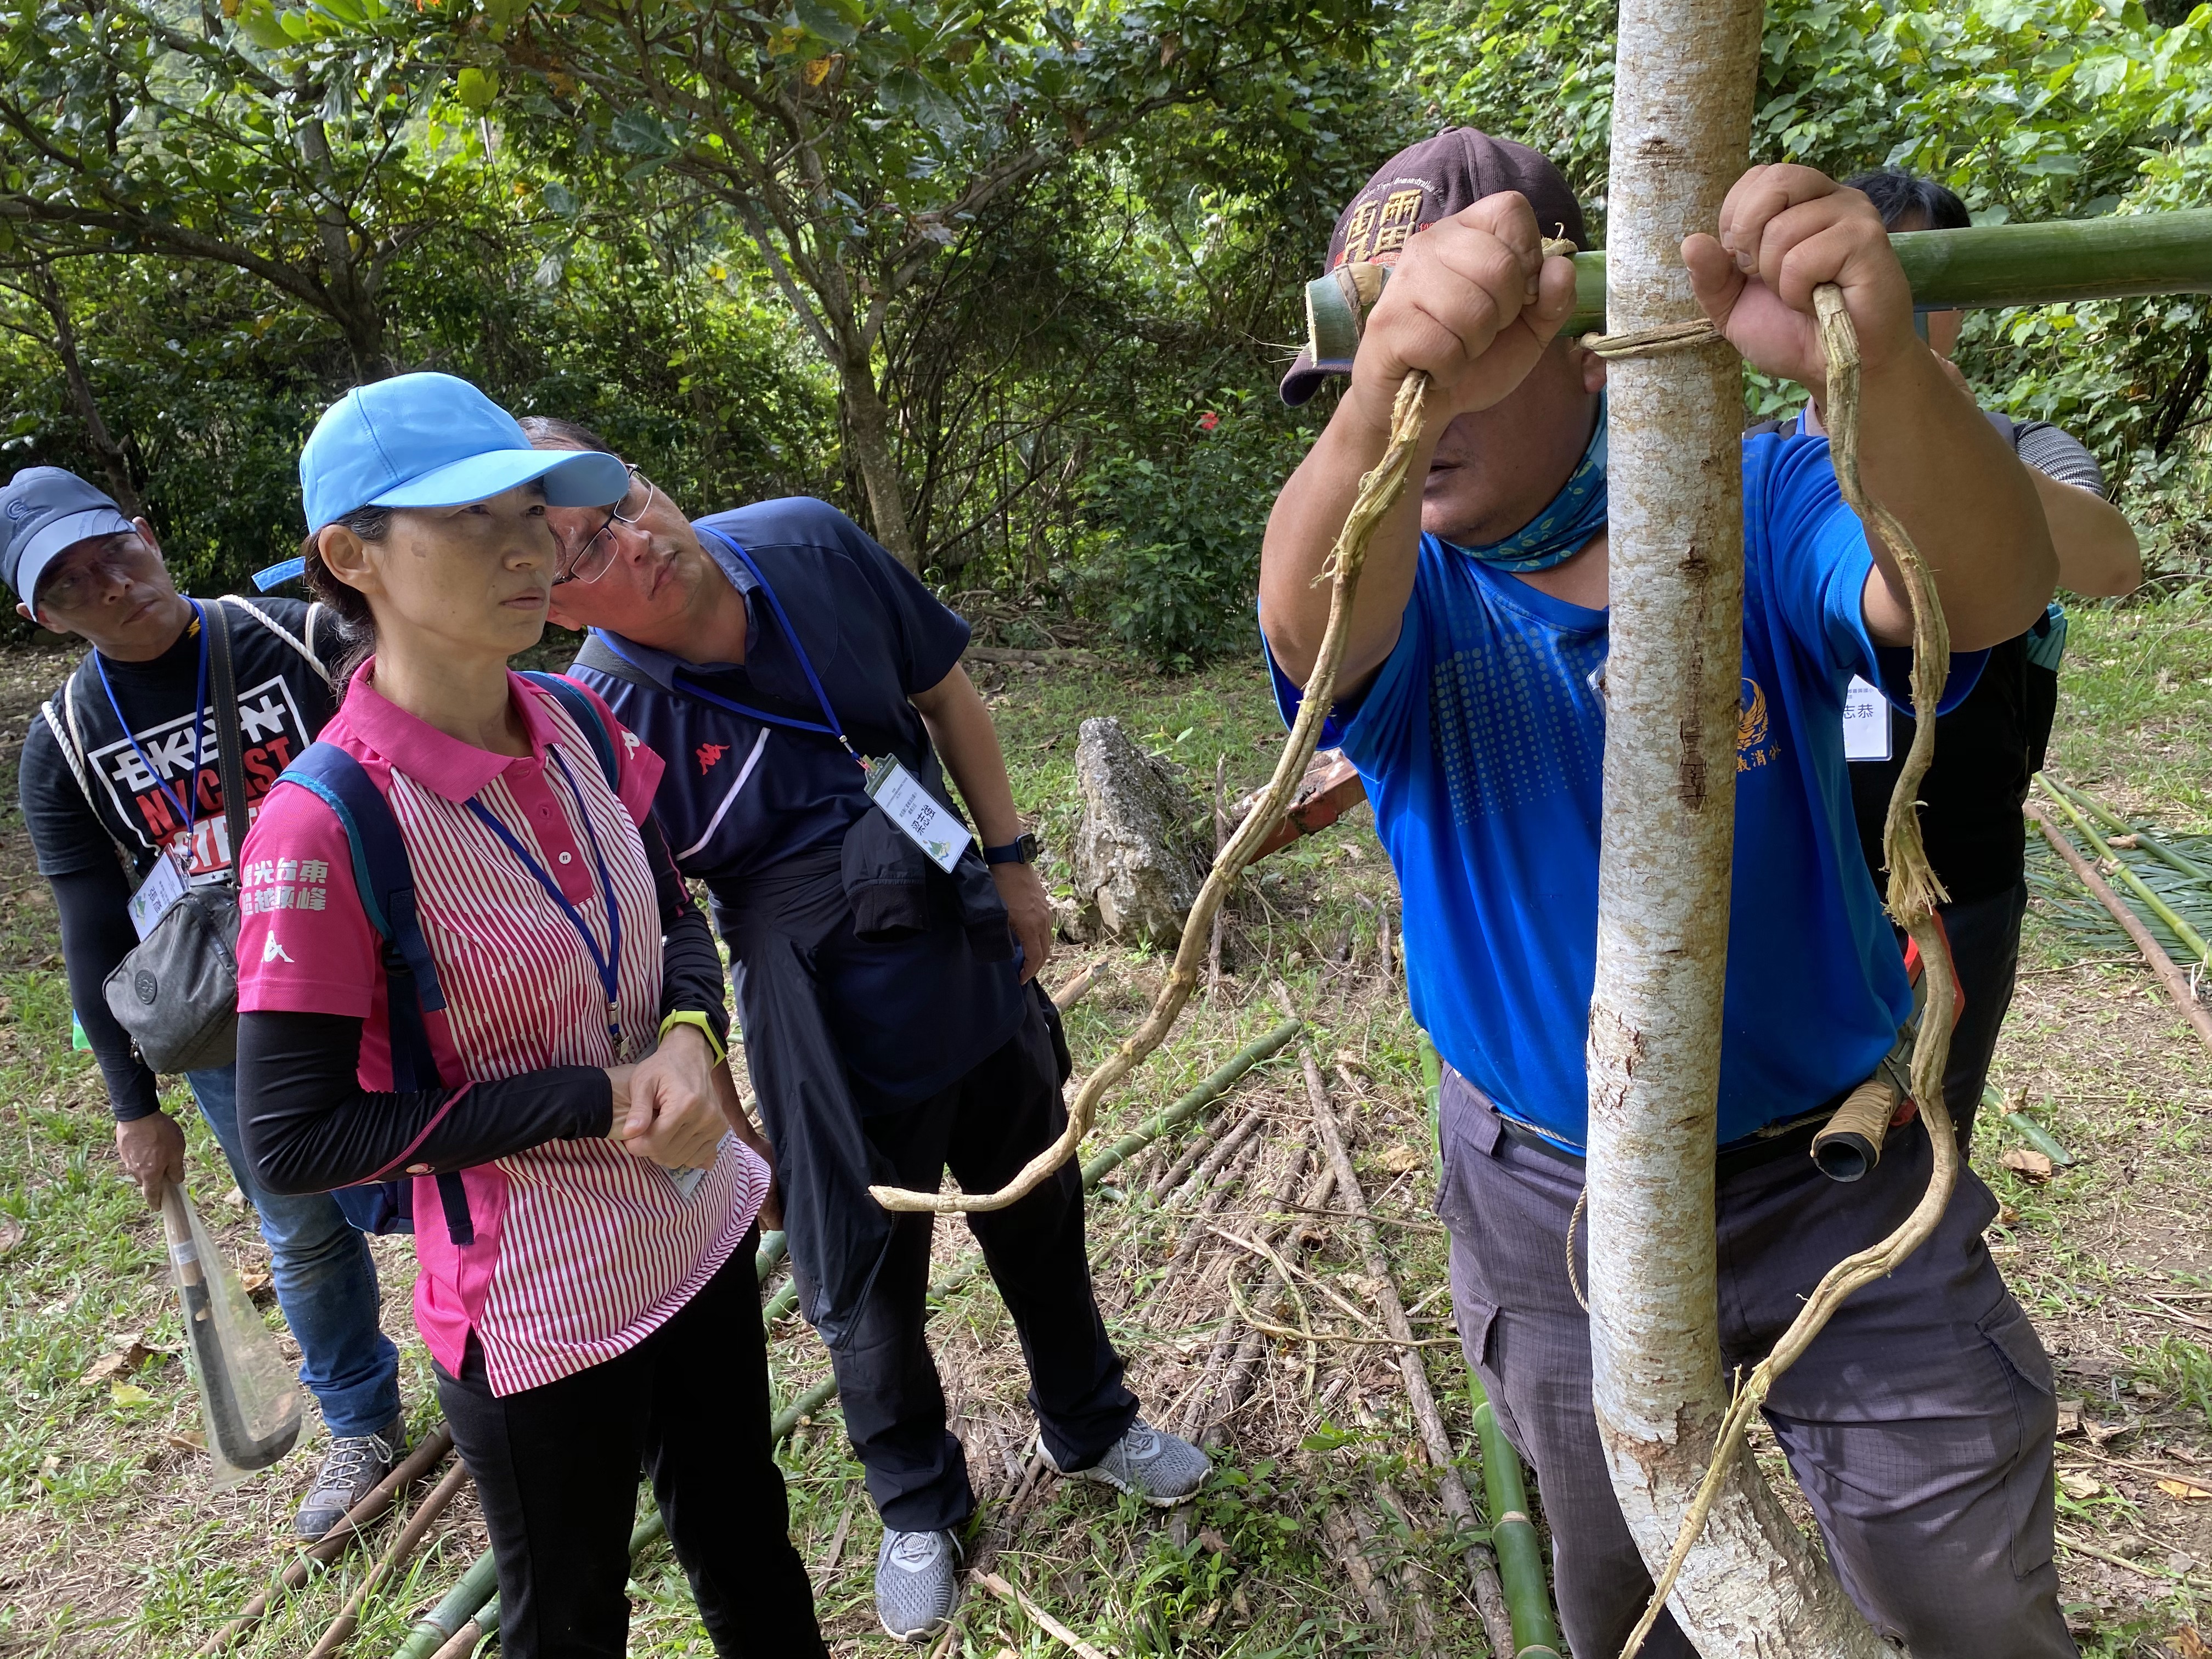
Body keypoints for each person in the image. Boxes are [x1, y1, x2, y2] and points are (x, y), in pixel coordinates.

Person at [1262, 131, 2072, 1657]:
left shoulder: (1752, 502)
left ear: (1580, 346)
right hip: (1548, 1197)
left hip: (1830, 1175)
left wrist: (1874, 372)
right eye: (1378, 378)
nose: (1414, 417)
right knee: (1628, 1602)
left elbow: (1981, 590)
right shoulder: (1407, 584)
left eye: (1464, 360)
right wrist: (1385, 393)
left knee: (1962, 1584)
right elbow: (1309, 624)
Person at [512, 420, 1210, 1643]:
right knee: (865, 1279)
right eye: (582, 553)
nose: (633, 545)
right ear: (551, 601)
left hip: (956, 933)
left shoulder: (808, 546)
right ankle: (916, 1501)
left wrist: (1012, 864)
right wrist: (734, 1132)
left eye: (623, 501)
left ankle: (1089, 1422)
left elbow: (944, 695)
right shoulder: (604, 718)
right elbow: (664, 935)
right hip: (818, 1015)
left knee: (1041, 1208)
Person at [232, 373, 827, 1658]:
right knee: (570, 1622)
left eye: (534, 512)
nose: (529, 549)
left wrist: (688, 1041)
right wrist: (598, 1100)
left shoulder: (573, 723)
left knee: (751, 1549)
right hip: (538, 1314)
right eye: (470, 521)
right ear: (353, 558)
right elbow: (297, 1136)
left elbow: (671, 917)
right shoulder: (327, 824)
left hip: (697, 1237)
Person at [3, 465, 407, 1539]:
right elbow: (94, 937)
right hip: (244, 1014)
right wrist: (134, 1104)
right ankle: (362, 1425)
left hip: (400, 960)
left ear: (146, 531)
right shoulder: (68, 745)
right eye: (76, 585)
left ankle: (537, 1338)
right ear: (40, 617)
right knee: (304, 1226)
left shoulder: (301, 642)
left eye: (116, 554)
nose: (115, 585)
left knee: (488, 1147)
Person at [1779, 169, 2140, 1149]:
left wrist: (1929, 439)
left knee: (1930, 1123)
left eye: (1910, 283)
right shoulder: (1753, 466)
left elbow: (2113, 560)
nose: (1875, 306)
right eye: (1849, 281)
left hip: (1962, 870)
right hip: (1797, 870)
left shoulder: (2025, 446)